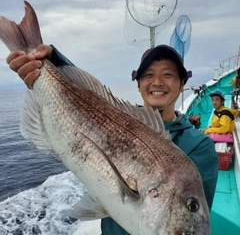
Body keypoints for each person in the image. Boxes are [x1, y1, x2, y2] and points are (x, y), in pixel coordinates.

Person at [6, 44, 218, 235]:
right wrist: (51, 59)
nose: (157, 82)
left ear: (182, 85)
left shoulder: (200, 146)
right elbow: (89, 99)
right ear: (138, 84)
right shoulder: (117, 116)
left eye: (168, 75)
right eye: (148, 75)